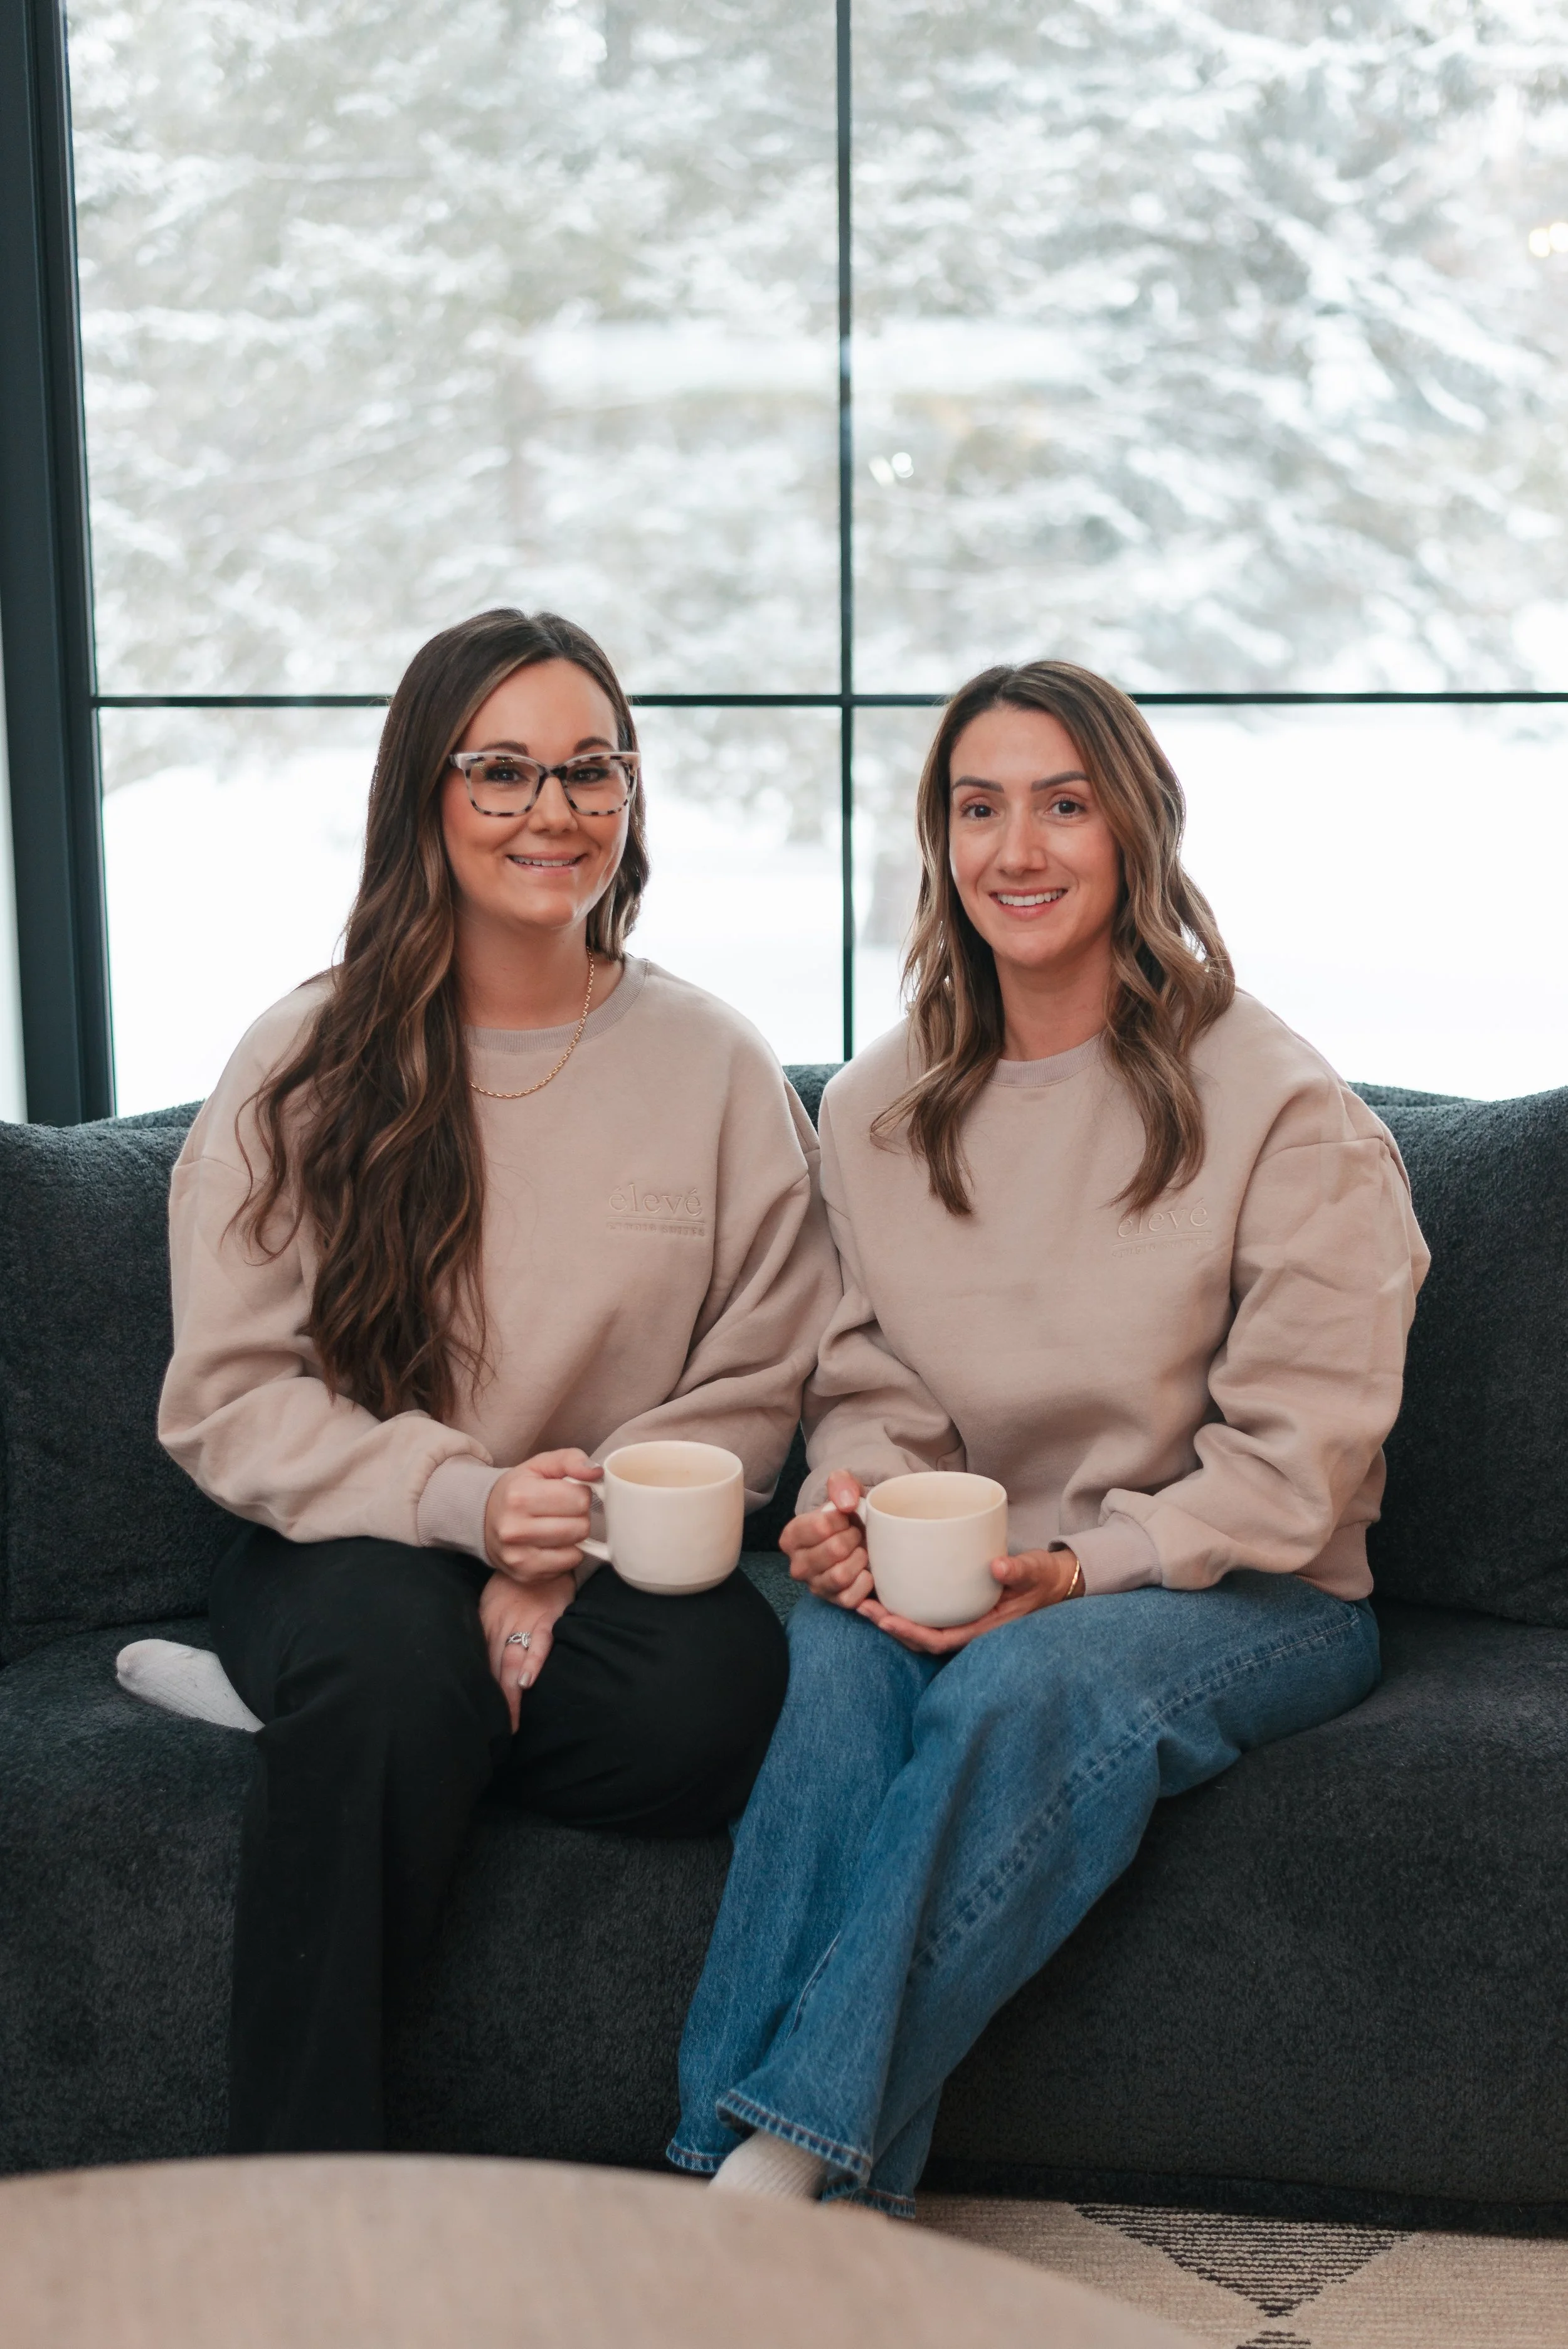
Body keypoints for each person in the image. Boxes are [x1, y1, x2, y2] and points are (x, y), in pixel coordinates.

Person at [669, 659, 1429, 2214]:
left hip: (1245, 1586)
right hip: (976, 1565)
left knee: (1028, 1680)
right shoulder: (882, 1109)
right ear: (941, 843)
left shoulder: (1278, 1103)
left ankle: (773, 2167)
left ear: (1133, 829)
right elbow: (869, 1382)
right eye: (977, 807)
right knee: (819, 1664)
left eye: (1061, 804)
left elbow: (1299, 1466)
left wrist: (1078, 1572)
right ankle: (732, 2199)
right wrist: (850, 1494)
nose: (1016, 849)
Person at [154, 607, 839, 2153]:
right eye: (504, 772)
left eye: (593, 770)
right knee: (391, 1656)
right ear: (425, 795)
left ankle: (354, 1742)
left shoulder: (712, 1063)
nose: (556, 812)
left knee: (719, 1701)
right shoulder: (304, 1059)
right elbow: (230, 1395)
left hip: (594, 1561)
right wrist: (467, 1513)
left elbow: (761, 1367)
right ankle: (303, 2200)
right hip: (348, 1539)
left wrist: (565, 1539)